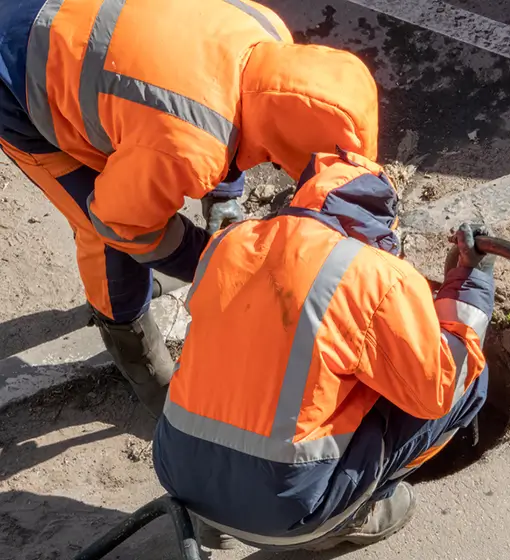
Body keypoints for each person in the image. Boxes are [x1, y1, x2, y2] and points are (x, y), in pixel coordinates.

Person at [0, 0, 378, 416]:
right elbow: (120, 222)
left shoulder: (266, 31)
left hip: (82, 29)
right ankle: (134, 348)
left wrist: (224, 199)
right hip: (20, 70)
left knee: (143, 172)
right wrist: (211, 261)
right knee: (104, 230)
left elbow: (228, 105)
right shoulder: (187, 147)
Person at [152, 148, 495, 551]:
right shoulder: (372, 275)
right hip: (289, 509)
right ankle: (353, 516)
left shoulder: (229, 244)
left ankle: (214, 521)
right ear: (382, 221)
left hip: (180, 471)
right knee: (469, 377)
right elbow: (442, 384)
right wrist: (469, 285)